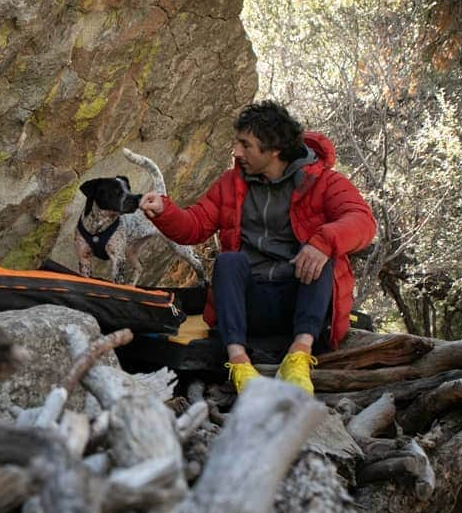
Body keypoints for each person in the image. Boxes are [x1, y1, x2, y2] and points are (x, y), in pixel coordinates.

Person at [139, 101, 377, 395]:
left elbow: (362, 221)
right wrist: (165, 211)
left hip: (297, 298)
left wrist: (323, 242)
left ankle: (299, 356)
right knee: (228, 262)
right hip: (250, 304)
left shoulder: (323, 182)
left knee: (320, 255)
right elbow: (195, 225)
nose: (236, 152)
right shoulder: (231, 183)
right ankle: (239, 363)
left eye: (245, 145)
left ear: (274, 149)